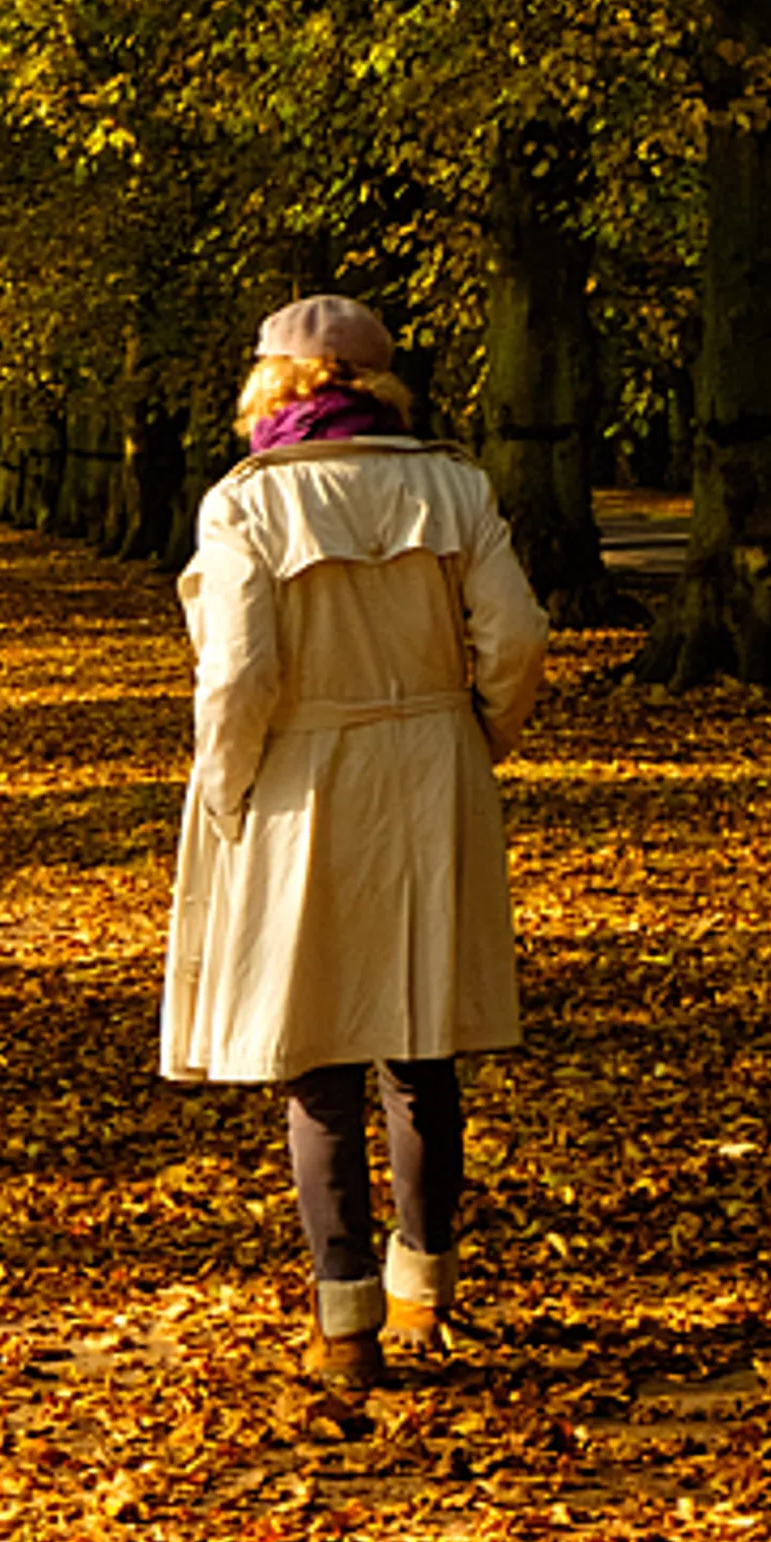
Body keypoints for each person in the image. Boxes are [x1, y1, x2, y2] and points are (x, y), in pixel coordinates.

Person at [161, 293, 547, 1391]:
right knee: (423, 1044)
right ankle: (425, 1288)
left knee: (317, 1055)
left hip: (305, 777)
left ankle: (346, 1323)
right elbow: (515, 635)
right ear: (376, 383)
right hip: (431, 765)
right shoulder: (454, 485)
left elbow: (238, 673)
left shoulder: (246, 504)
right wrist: (476, 735)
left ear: (272, 388)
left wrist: (225, 784)